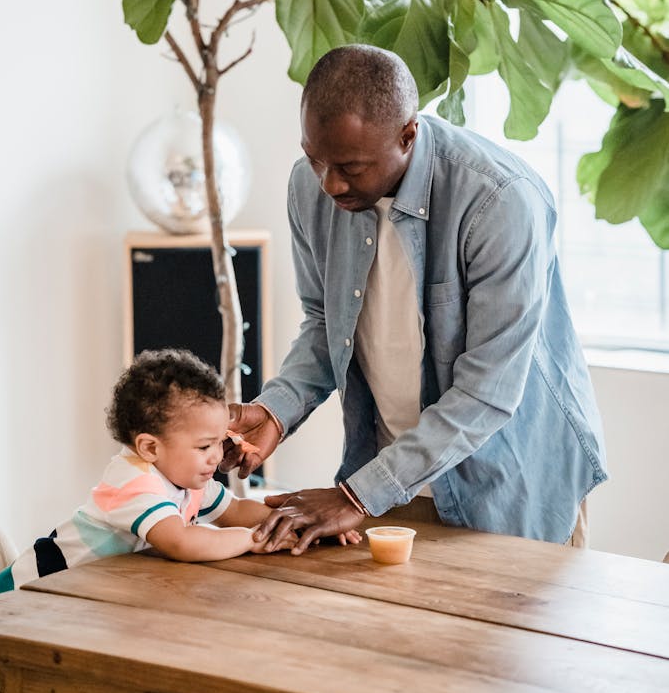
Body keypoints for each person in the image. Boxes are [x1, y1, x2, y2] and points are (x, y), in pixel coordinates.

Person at [222, 45, 608, 554]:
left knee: (507, 635)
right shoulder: (309, 186)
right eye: (316, 159)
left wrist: (357, 495)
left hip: (512, 484)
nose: (330, 183)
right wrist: (276, 411)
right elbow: (324, 322)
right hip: (387, 481)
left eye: (351, 167)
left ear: (408, 133)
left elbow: (486, 392)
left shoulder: (499, 199)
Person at [0, 347, 356, 693]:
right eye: (205, 445)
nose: (219, 456)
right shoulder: (134, 483)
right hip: (28, 607)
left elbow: (235, 510)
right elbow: (182, 542)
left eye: (220, 441)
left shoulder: (186, 477)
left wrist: (298, 521)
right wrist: (258, 540)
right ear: (150, 448)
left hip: (81, 613)